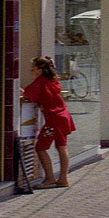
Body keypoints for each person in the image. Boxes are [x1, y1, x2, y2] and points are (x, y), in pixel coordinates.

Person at [21, 56, 76, 188]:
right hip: (64, 116)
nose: (31, 72)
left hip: (53, 119)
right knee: (61, 147)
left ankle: (50, 178)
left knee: (40, 147)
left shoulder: (39, 82)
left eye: (32, 69)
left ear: (39, 70)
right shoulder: (53, 81)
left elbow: (27, 97)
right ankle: (63, 178)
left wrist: (20, 93)